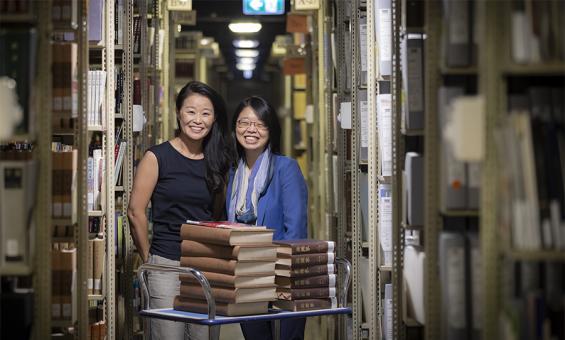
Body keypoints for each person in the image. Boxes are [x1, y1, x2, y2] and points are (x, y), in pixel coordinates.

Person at [127, 81, 231, 339]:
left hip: (207, 265)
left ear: (214, 118)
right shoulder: (157, 157)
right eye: (191, 111)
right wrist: (150, 257)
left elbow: (218, 214)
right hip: (166, 265)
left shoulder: (218, 160)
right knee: (167, 335)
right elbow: (135, 211)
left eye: (206, 113)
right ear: (178, 113)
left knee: (203, 335)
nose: (198, 120)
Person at [226, 96, 308, 340]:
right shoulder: (231, 173)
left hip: (280, 277)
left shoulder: (286, 168)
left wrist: (284, 281)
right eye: (244, 123)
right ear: (235, 128)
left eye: (260, 124)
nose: (251, 130)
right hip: (243, 278)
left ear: (271, 131)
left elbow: (295, 230)